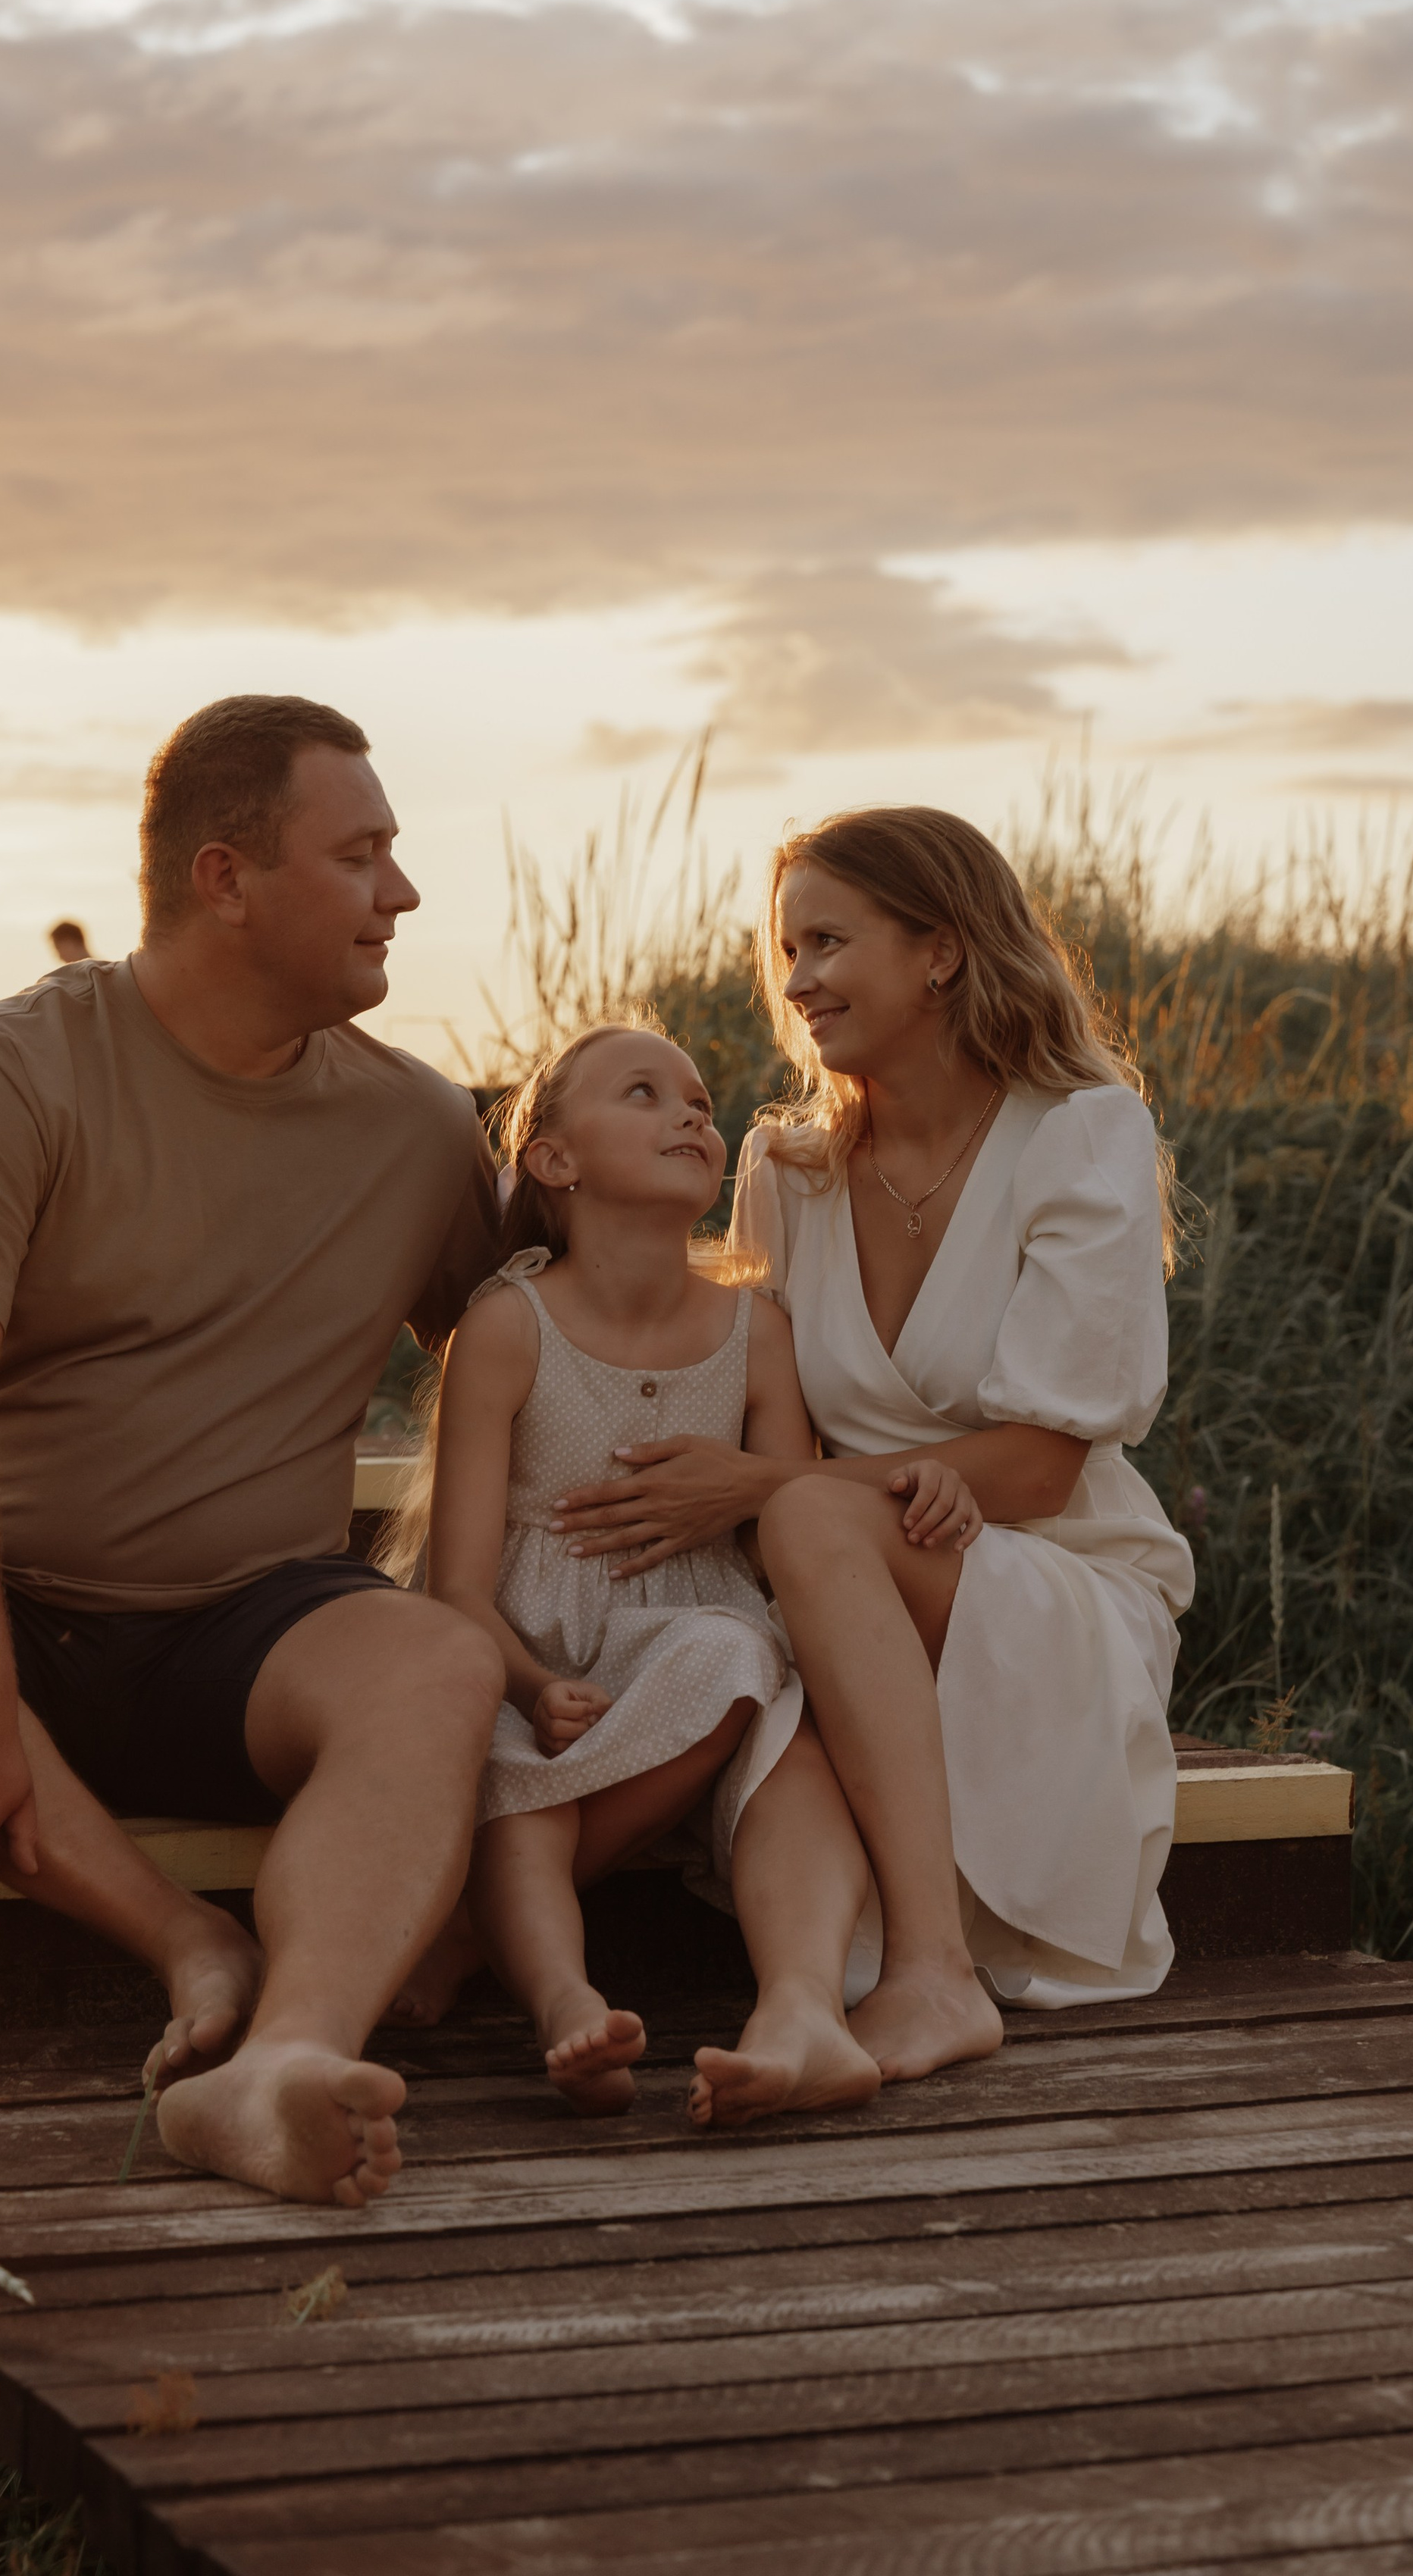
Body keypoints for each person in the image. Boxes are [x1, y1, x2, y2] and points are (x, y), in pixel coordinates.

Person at [0, 695, 506, 2209]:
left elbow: (533, 1360)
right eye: (362, 854)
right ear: (225, 880)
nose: (402, 893)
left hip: (247, 1637)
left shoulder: (424, 1132)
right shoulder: (3, 1071)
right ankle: (186, 1943)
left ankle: (280, 2064)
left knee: (434, 1667)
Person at [550, 806, 1191, 2057]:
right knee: (772, 1681)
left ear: (940, 951)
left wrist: (792, 1491)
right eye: (786, 952)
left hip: (1052, 1575)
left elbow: (1045, 1464)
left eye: (828, 943)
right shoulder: (788, 1171)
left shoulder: (1079, 1134)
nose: (797, 985)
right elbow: (765, 1420)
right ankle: (796, 2015)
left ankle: (934, 1971)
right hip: (840, 1571)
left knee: (801, 1517)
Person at [422, 1018, 996, 2126]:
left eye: (695, 1096)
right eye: (642, 1093)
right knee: (509, 1771)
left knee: (762, 1694)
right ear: (555, 1160)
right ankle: (563, 2005)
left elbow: (793, 1522)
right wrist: (536, 1690)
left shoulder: (754, 1331)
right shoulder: (508, 1326)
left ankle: (805, 2013)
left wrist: (922, 1482)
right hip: (532, 1657)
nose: (691, 1112)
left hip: (700, 1654)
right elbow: (455, 1588)